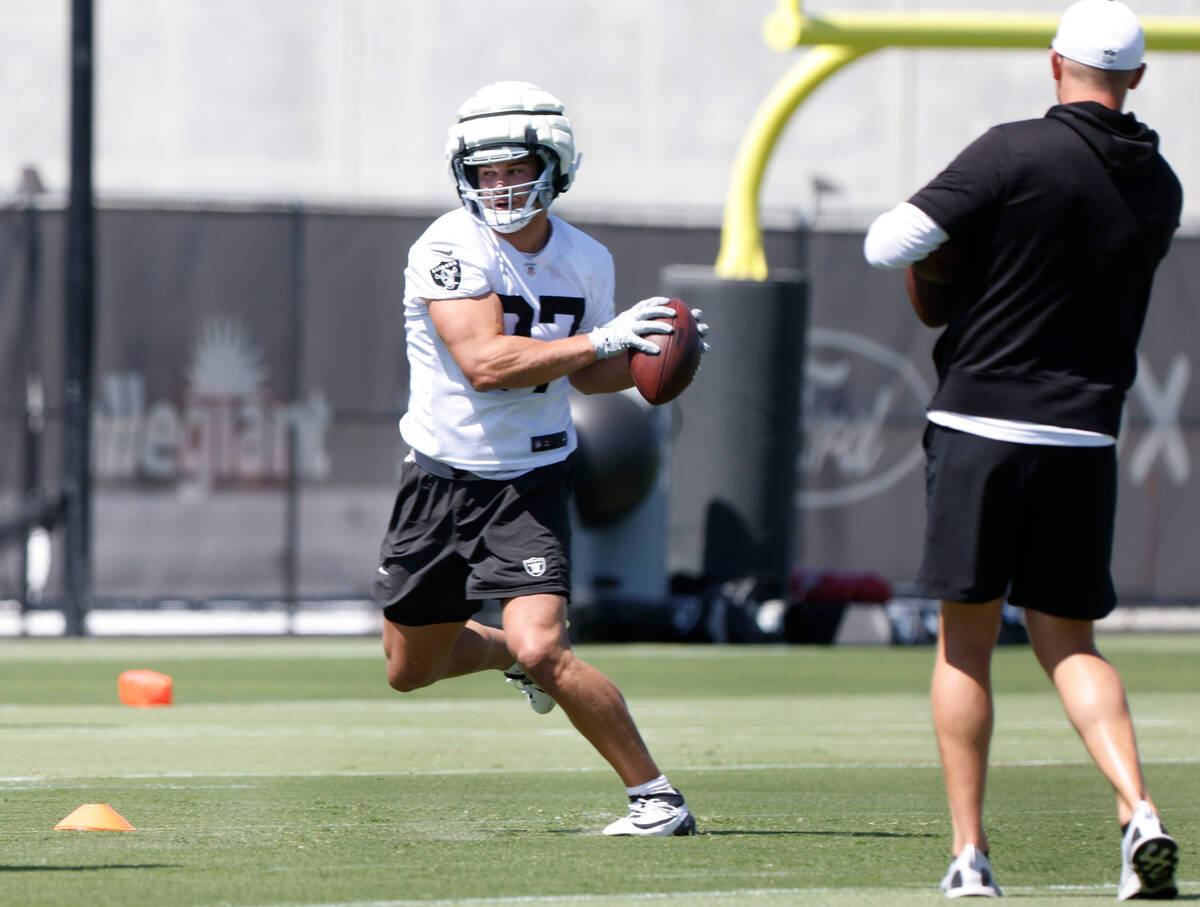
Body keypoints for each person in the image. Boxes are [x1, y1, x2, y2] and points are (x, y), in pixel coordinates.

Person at [864, 0, 1181, 898]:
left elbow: (891, 243)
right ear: (1139, 78)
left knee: (965, 645)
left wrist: (958, 248)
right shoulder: (1161, 183)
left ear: (1055, 65)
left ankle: (970, 855)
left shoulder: (1012, 149)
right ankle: (1139, 810)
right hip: (1084, 433)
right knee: (1072, 643)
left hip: (981, 425)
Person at [372, 80, 705, 837]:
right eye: (484, 172)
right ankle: (504, 658)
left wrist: (659, 360)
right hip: (437, 479)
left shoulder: (586, 257)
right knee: (407, 669)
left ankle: (657, 799)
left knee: (545, 644)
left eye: (513, 169)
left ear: (552, 166)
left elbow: (590, 373)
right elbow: (486, 362)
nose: (498, 185)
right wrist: (606, 341)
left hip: (530, 479)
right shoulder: (447, 245)